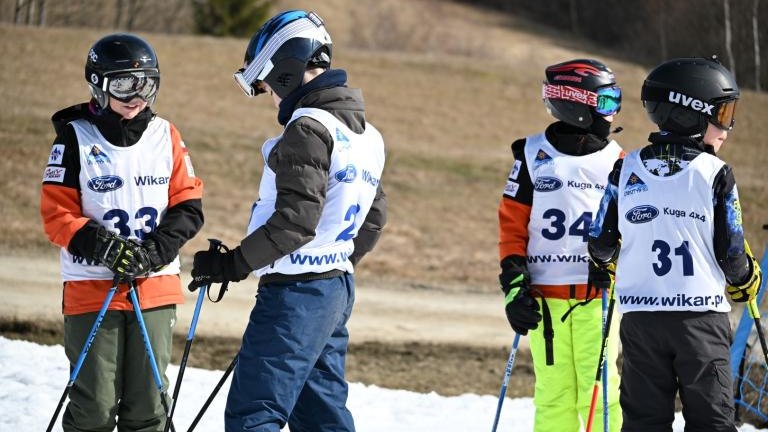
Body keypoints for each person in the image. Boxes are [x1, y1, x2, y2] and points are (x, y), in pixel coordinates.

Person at [187, 10, 387, 432]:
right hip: (334, 288)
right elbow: (374, 218)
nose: (272, 99)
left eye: (267, 86)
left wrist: (233, 264)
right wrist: (333, 264)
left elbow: (296, 221)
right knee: (321, 417)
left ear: (286, 71)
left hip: (296, 294)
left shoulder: (308, 128)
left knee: (253, 415)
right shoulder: (367, 135)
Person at [588, 56, 763, 431]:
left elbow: (600, 245)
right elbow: (732, 255)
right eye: (723, 114)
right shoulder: (716, 173)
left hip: (641, 322)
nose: (727, 129)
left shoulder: (625, 167)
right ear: (693, 113)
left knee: (644, 422)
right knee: (711, 422)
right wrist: (748, 279)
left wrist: (614, 261)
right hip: (700, 321)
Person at [40, 33, 204, 431]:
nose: (136, 96)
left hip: (154, 286)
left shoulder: (166, 135)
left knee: (148, 405)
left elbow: (188, 206)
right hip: (93, 287)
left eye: (147, 84)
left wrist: (151, 253)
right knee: (94, 405)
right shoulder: (75, 138)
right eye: (123, 85)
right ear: (98, 84)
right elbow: (56, 214)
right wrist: (106, 248)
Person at [498, 59, 624, 432]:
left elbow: (627, 232)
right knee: (553, 395)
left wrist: (614, 266)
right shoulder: (531, 156)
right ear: (575, 103)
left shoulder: (617, 161)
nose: (613, 111)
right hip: (544, 301)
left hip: (595, 298)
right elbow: (512, 227)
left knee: (599, 393)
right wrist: (514, 287)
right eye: (605, 102)